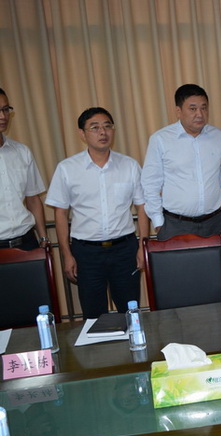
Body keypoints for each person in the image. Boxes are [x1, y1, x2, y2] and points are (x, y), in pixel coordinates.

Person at [46, 108, 149, 318]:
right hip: (87, 253)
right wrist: (67, 255)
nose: (103, 132)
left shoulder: (129, 165)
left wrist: (142, 247)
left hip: (124, 250)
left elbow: (142, 207)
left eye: (107, 126)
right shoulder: (67, 169)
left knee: (130, 313)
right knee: (93, 316)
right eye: (95, 127)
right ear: (82, 134)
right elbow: (60, 214)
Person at [141, 84, 221, 240]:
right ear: (178, 111)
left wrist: (215, 184)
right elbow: (150, 183)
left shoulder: (219, 136)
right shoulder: (161, 139)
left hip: (213, 222)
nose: (200, 114)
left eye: (204, 108)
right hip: (176, 225)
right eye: (193, 109)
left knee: (217, 258)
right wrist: (158, 223)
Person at [0, 88, 49, 250]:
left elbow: (33, 199)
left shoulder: (22, 151)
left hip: (27, 241)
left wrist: (43, 238)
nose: (3, 116)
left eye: (6, 109)